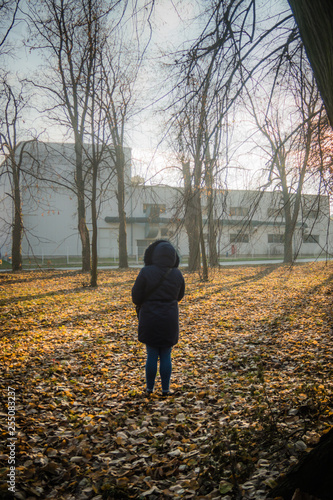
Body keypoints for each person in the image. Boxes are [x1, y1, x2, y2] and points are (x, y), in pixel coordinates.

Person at [132, 240, 185, 396]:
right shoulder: (177, 274)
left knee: (152, 354)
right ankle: (165, 389)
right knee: (166, 354)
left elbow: (136, 297)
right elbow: (179, 296)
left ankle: (149, 389)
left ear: (153, 254)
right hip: (169, 318)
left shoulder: (145, 272)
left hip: (149, 318)